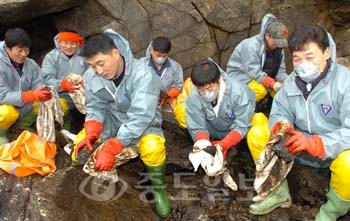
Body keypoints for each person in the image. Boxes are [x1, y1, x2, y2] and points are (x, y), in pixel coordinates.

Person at [248, 24, 350, 221]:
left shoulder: (345, 82)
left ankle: (332, 212)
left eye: (310, 57)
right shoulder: (291, 82)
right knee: (258, 134)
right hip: (298, 145)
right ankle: (278, 192)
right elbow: (280, 111)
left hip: (334, 148)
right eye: (297, 58)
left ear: (327, 53)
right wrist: (281, 126)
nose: (303, 64)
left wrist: (318, 143)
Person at [74, 29, 171, 217]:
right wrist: (92, 129)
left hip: (144, 124)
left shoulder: (145, 75)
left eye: (101, 64)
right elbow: (95, 105)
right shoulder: (91, 76)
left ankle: (158, 188)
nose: (98, 71)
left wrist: (113, 146)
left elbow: (140, 116)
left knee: (153, 147)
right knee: (79, 148)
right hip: (112, 121)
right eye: (92, 66)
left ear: (115, 53)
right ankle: (91, 199)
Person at [185, 59, 255, 160]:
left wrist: (224, 144)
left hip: (236, 131)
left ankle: (239, 148)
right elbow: (197, 125)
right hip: (212, 130)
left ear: (219, 80)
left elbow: (242, 124)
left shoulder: (239, 92)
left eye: (209, 88)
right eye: (201, 90)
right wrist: (204, 144)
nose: (206, 93)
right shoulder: (194, 97)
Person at [226, 13, 288, 113]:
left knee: (283, 90)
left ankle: (271, 113)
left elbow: (281, 71)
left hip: (264, 78)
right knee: (260, 89)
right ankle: (248, 112)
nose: (278, 45)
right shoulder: (250, 45)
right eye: (277, 41)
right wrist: (272, 83)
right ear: (267, 36)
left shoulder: (279, 49)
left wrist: (286, 81)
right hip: (242, 77)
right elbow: (253, 72)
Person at [0, 28, 52, 145]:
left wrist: (43, 93)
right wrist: (30, 95)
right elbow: (1, 96)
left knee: (48, 103)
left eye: (26, 50)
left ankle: (22, 125)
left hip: (23, 109)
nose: (24, 54)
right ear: (7, 49)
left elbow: (39, 84)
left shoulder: (31, 64)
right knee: (7, 112)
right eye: (19, 50)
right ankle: (1, 134)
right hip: (4, 108)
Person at [41, 31, 88, 132]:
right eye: (65, 43)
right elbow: (46, 78)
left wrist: (86, 82)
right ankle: (64, 131)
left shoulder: (84, 56)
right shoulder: (51, 57)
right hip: (62, 96)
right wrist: (63, 84)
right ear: (59, 43)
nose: (69, 46)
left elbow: (94, 72)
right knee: (62, 109)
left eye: (72, 43)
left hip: (83, 95)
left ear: (78, 43)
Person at [139, 36, 183, 111]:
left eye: (164, 56)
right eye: (158, 55)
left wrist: (168, 95)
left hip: (166, 105)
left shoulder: (175, 67)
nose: (161, 58)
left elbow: (178, 85)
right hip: (143, 104)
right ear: (151, 50)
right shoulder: (141, 65)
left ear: (168, 53)